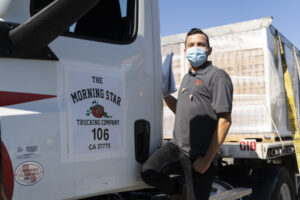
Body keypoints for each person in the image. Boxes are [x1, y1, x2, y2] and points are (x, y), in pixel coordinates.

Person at [141, 28, 233, 200]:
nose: (195, 48)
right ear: (185, 51)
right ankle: (178, 190)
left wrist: (206, 160)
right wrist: (165, 95)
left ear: (209, 50)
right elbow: (181, 109)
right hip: (177, 148)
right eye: (191, 45)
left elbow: (225, 121)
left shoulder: (218, 77)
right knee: (149, 171)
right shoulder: (186, 78)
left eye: (200, 44)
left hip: (199, 155)